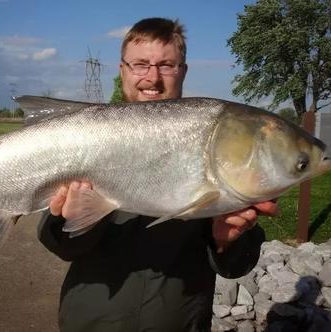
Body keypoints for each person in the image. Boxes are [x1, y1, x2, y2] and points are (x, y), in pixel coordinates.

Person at [38, 17, 279, 332]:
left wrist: (227, 243)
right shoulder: (86, 137)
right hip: (90, 322)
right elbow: (60, 246)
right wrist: (69, 221)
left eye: (167, 65)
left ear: (183, 71)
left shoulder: (224, 148)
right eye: (140, 64)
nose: (152, 77)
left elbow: (236, 267)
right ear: (123, 70)